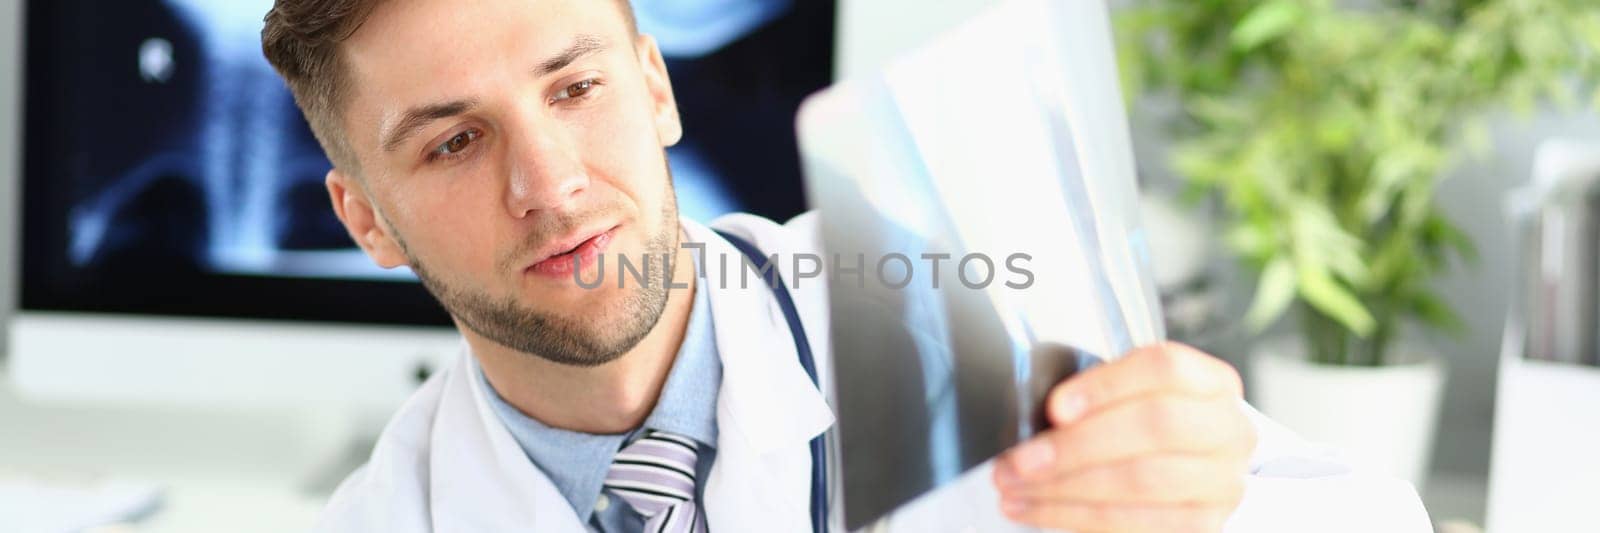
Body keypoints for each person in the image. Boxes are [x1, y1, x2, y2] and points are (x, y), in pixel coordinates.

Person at [259, 0, 1432, 531]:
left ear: (657, 87)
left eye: (576, 86)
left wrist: (1211, 503)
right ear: (367, 220)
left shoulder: (961, 302)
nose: (549, 178)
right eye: (455, 141)